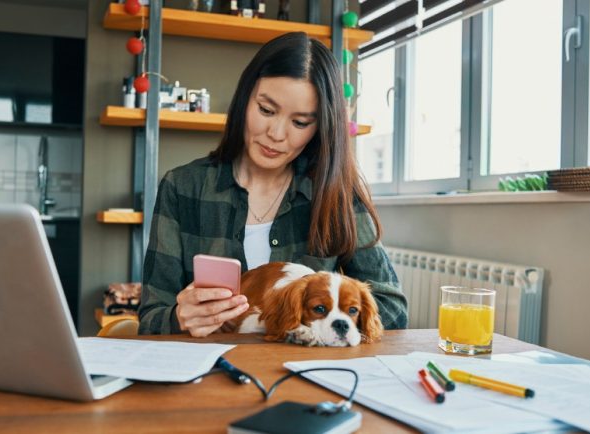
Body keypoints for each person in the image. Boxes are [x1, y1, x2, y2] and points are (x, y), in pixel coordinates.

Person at [138, 32, 407, 337]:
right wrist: (179, 317)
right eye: (266, 110)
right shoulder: (182, 187)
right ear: (244, 100)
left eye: (300, 123)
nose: (277, 134)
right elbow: (151, 319)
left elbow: (393, 309)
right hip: (210, 375)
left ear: (320, 127)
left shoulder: (337, 195)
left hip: (308, 378)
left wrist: (325, 320)